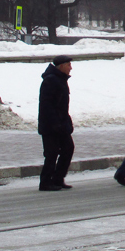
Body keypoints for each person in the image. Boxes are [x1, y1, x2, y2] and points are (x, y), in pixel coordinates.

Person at [37, 54, 75, 191]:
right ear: (62, 66)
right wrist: (55, 123)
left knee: (68, 148)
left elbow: (61, 106)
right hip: (50, 126)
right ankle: (45, 182)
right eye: (69, 65)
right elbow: (46, 105)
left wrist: (66, 121)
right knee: (51, 153)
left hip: (61, 124)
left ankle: (58, 178)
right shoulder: (51, 81)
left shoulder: (60, 80)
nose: (71, 68)